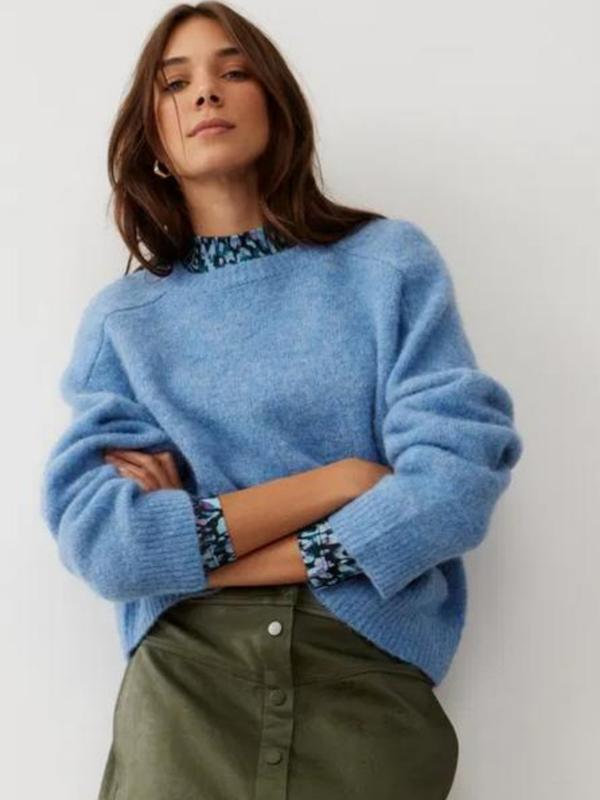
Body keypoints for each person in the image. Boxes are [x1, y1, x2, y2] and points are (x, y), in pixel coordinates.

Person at [40, 3, 524, 798]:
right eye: (176, 84)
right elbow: (109, 546)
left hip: (362, 675)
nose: (207, 93)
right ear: (151, 136)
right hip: (188, 687)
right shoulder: (123, 323)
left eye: (234, 71)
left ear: (276, 104)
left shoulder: (387, 266)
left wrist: (198, 553)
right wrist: (343, 481)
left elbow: (456, 481)